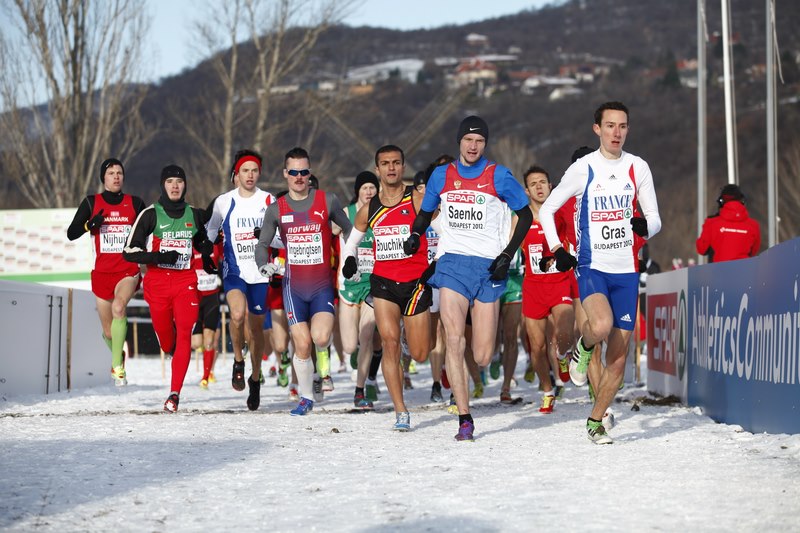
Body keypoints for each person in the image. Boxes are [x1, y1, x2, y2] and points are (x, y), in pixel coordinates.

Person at [539, 101, 662, 444]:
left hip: (627, 272)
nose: (616, 133)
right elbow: (548, 210)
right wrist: (559, 250)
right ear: (597, 129)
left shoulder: (638, 167)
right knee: (602, 325)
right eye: (610, 126)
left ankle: (595, 421)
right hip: (592, 265)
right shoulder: (584, 168)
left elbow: (655, 218)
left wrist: (644, 226)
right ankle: (584, 347)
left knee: (618, 360)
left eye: (622, 126)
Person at [404, 117, 533, 441]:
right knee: (453, 339)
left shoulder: (499, 176)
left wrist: (507, 255)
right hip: (452, 265)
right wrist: (415, 234)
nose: (473, 146)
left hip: (488, 268)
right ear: (459, 142)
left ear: (484, 145)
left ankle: (479, 377)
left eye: (479, 141)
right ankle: (464, 417)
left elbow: (527, 214)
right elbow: (425, 213)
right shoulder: (442, 176)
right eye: (468, 140)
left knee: (482, 355)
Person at [254, 147, 353, 416]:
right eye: (294, 172)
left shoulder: (327, 200)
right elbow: (262, 244)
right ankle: (306, 397)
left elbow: (349, 229)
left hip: (321, 286)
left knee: (320, 337)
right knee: (302, 344)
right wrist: (263, 265)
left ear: (310, 173)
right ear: (285, 174)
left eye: (304, 172)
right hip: (292, 288)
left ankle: (321, 373)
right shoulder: (277, 209)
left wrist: (351, 256)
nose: (299, 177)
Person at [342, 145, 434, 431]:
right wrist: (348, 261)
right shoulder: (369, 209)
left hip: (416, 283)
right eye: (385, 163)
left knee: (420, 353)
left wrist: (435, 262)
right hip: (383, 283)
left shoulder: (418, 199)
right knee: (390, 343)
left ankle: (412, 340)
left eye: (396, 163)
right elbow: (351, 242)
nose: (391, 168)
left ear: (402, 167)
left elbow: (445, 232)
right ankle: (401, 411)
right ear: (378, 169)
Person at [123, 165, 216, 412]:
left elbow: (200, 240)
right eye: (170, 181)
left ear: (185, 185)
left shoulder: (193, 214)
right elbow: (129, 252)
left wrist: (206, 251)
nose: (175, 186)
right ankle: (171, 348)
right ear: (163, 185)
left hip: (186, 281)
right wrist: (159, 255)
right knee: (167, 342)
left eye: (179, 181)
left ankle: (174, 394)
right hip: (158, 282)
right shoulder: (150, 214)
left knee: (185, 332)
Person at [206, 149, 277, 411]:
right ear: (236, 174)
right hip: (234, 270)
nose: (250, 175)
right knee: (237, 315)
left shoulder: (269, 200)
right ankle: (238, 360)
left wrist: (266, 236)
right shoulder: (224, 201)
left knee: (256, 329)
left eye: (254, 170)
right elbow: (211, 231)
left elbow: (281, 238)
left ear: (259, 173)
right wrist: (204, 252)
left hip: (260, 272)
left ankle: (255, 378)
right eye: (245, 170)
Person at [67, 158, 146, 386]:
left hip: (127, 270)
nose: (116, 176)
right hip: (102, 273)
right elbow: (71, 233)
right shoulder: (92, 202)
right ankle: (117, 355)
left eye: (119, 172)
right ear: (103, 178)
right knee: (109, 332)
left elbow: (149, 230)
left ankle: (117, 367)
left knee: (119, 307)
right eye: (111, 173)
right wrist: (88, 226)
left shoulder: (135, 203)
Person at [520, 165, 575, 413]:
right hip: (533, 287)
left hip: (560, 282)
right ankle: (547, 389)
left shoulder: (559, 214)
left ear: (551, 186)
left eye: (543, 182)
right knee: (537, 347)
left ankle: (563, 356)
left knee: (563, 335)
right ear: (527, 190)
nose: (539, 187)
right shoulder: (520, 219)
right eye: (534, 184)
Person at [338, 171, 380, 410]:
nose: (368, 192)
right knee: (348, 345)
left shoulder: (382, 213)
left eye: (372, 188)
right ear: (357, 191)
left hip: (372, 285)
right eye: (364, 188)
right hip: (349, 284)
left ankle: (359, 389)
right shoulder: (346, 213)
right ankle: (353, 355)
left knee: (367, 337)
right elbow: (327, 230)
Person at [695, 184, 761, 262]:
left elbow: (702, 249)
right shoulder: (753, 225)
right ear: (742, 201)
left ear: (721, 202)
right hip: (744, 271)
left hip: (719, 271)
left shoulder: (712, 223)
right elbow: (753, 251)